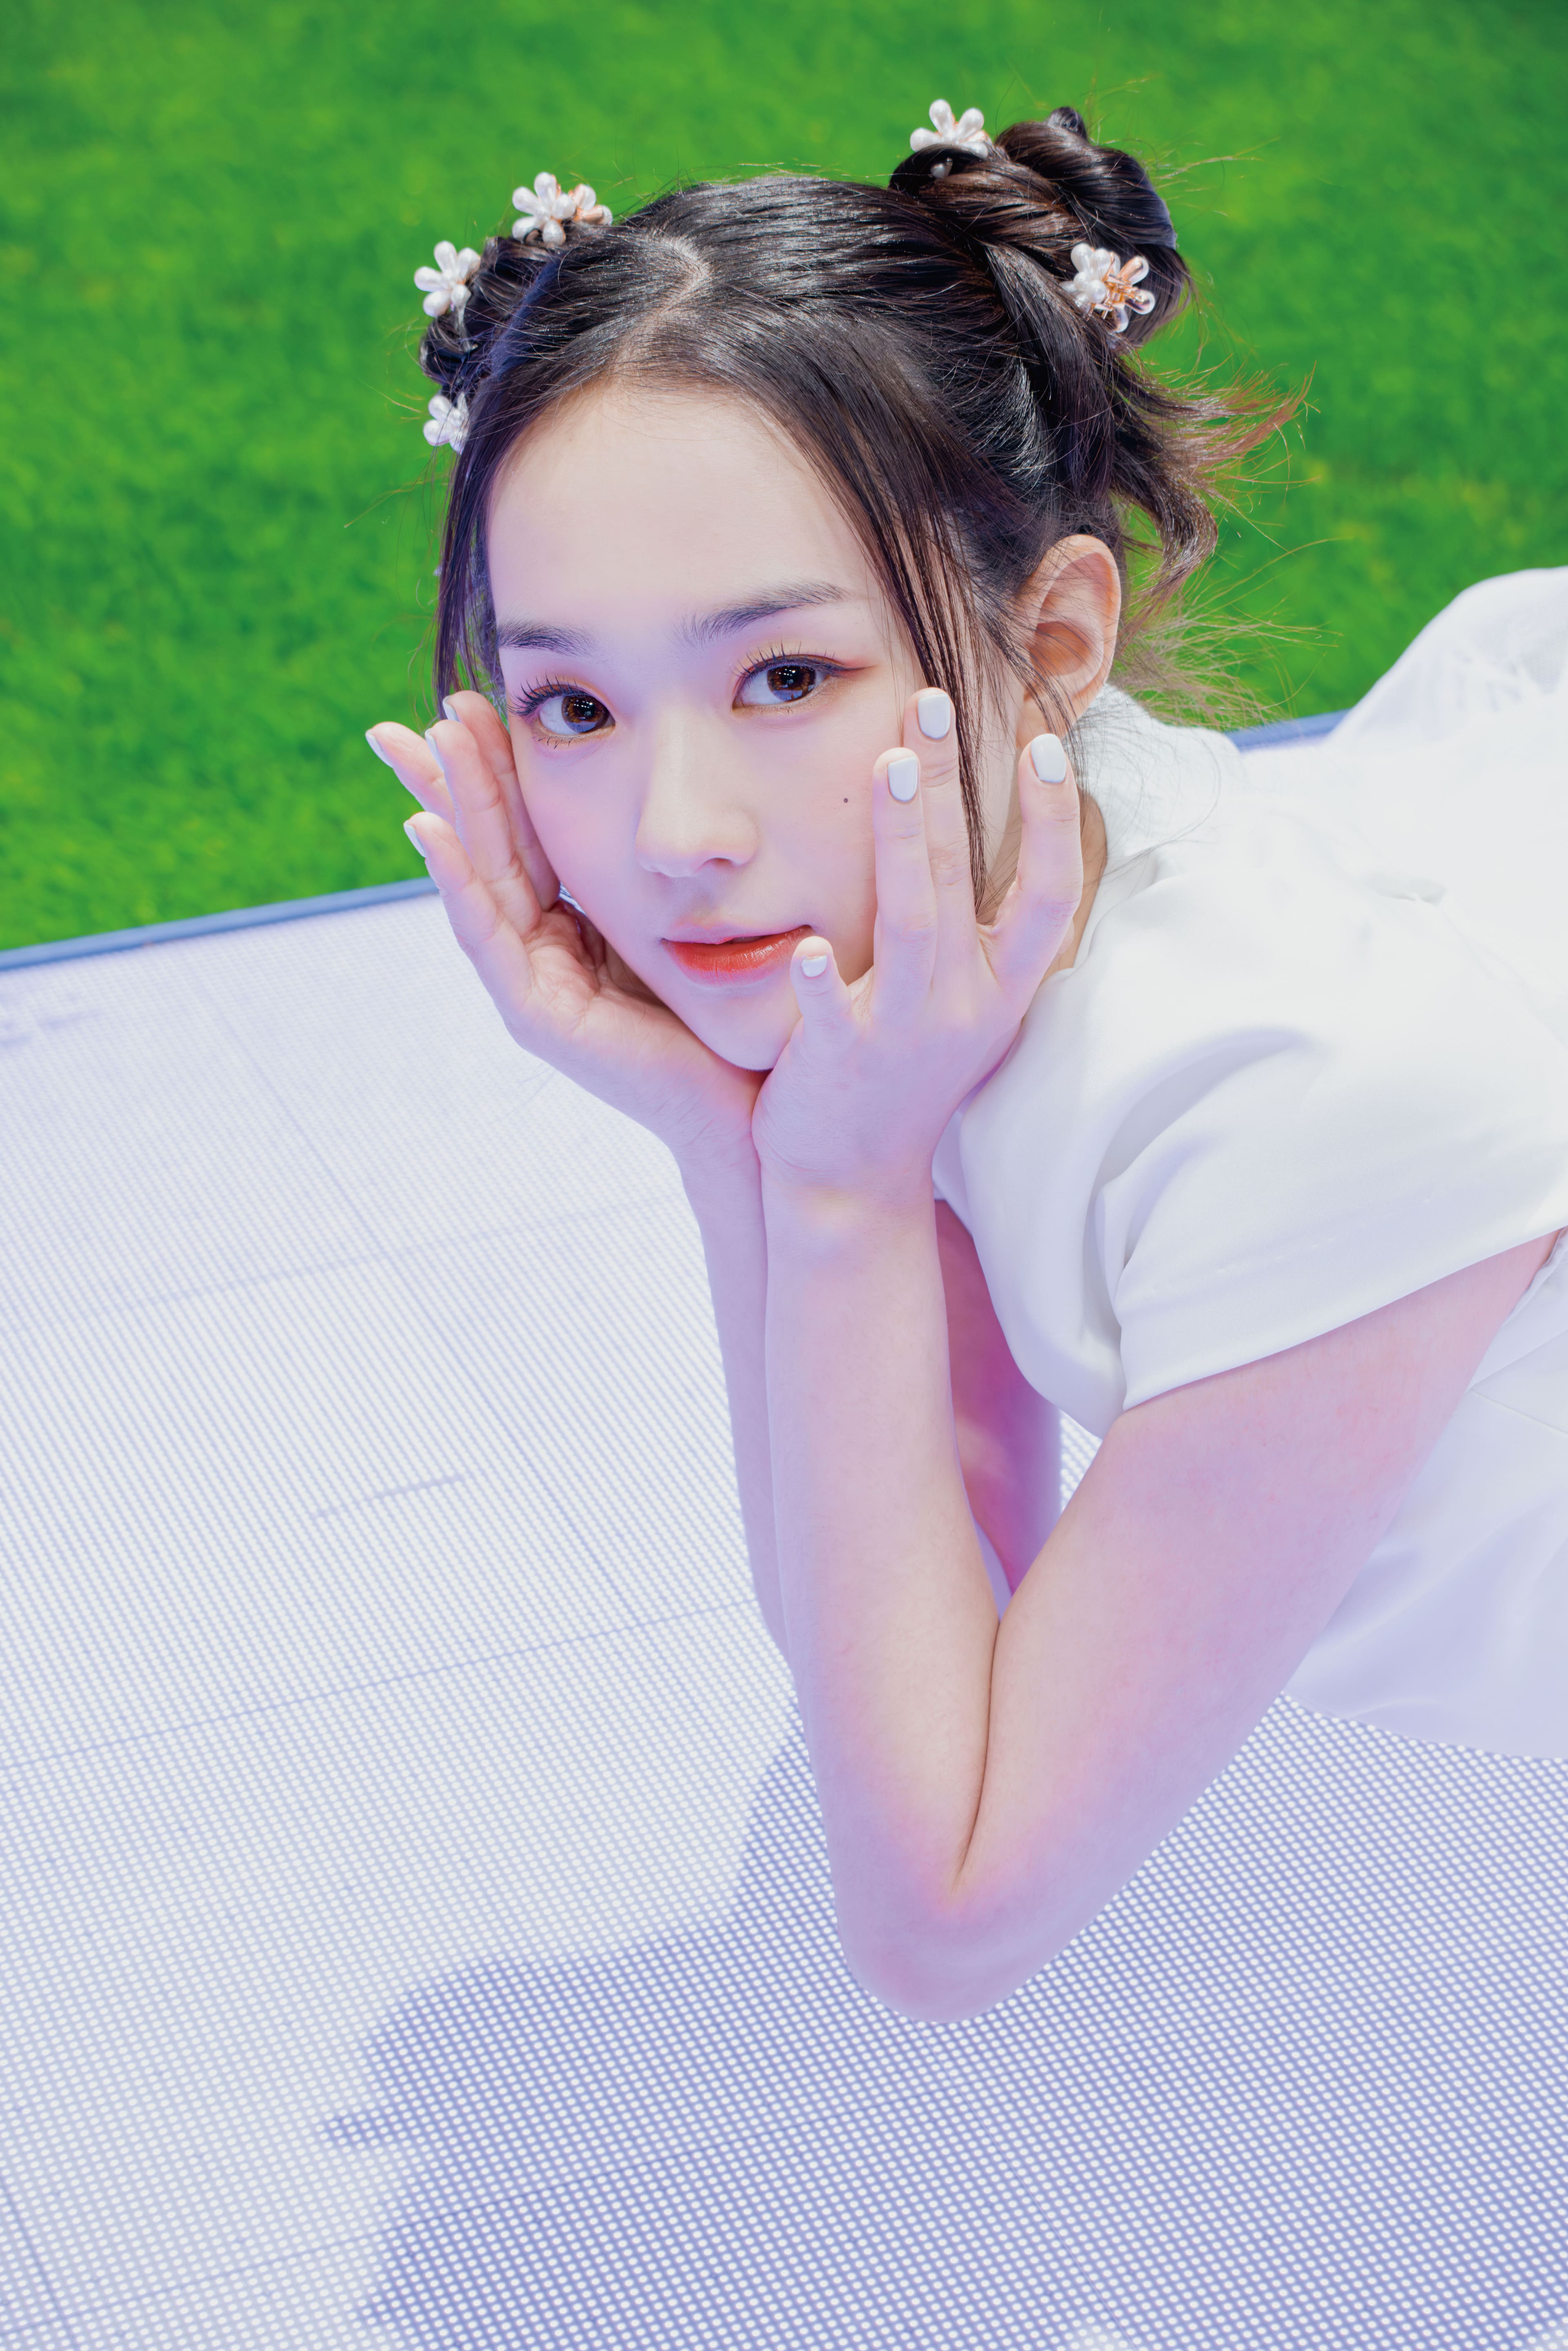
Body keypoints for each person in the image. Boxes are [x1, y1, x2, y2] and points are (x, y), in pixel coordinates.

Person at [364, 101, 1568, 2024]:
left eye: (784, 677)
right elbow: (911, 1634)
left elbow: (944, 1916)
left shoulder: (1297, 1100)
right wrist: (741, 1137)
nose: (674, 833)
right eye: (573, 705)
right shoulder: (948, 934)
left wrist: (835, 1188)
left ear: (1057, 634)